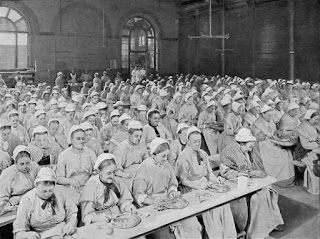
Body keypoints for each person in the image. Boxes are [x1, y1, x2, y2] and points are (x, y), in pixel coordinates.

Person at [132, 138, 202, 239]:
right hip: (151, 206)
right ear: (153, 155)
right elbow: (139, 196)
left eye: (167, 155)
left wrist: (172, 191)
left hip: (168, 201)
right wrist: (153, 200)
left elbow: (172, 183)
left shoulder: (166, 165)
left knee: (192, 223)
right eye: (163, 156)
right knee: (166, 235)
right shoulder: (144, 168)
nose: (165, 159)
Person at [220, 128, 284, 238]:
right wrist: (247, 173)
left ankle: (269, 224)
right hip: (230, 179)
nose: (250, 150)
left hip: (241, 177)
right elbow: (239, 170)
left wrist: (251, 173)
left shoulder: (243, 150)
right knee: (257, 198)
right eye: (249, 147)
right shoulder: (235, 152)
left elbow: (247, 169)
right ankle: (256, 232)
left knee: (267, 192)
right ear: (242, 143)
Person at [176, 126, 237, 239]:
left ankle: (228, 236)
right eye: (194, 141)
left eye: (199, 141)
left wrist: (216, 179)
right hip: (191, 189)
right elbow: (183, 180)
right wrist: (198, 185)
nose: (197, 144)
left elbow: (209, 173)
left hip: (205, 184)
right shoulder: (183, 157)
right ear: (188, 141)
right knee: (212, 208)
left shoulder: (202, 153)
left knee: (223, 204)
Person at [13, 167, 78, 239]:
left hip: (63, 231)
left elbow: (72, 213)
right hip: (41, 235)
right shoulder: (27, 199)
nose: (47, 194)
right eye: (44, 191)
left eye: (50, 190)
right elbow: (19, 231)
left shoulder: (61, 191)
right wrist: (27, 235)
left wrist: (70, 224)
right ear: (36, 186)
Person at [80, 153, 136, 225]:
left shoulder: (117, 181)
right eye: (109, 173)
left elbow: (124, 200)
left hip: (117, 215)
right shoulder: (91, 184)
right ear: (99, 172)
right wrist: (96, 218)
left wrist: (127, 206)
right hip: (99, 220)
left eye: (114, 172)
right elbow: (86, 214)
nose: (112, 176)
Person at [252, 105, 295, 187]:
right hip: (263, 145)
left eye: (271, 116)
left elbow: (274, 133)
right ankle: (280, 180)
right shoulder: (257, 123)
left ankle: (288, 179)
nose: (270, 117)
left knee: (288, 153)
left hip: (272, 142)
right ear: (262, 114)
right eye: (268, 115)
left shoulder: (270, 121)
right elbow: (257, 137)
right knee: (282, 157)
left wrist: (277, 137)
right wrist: (266, 136)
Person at [56, 125, 96, 204]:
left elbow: (97, 170)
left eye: (83, 138)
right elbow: (59, 178)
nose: (81, 141)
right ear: (71, 140)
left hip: (89, 186)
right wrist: (70, 181)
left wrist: (92, 179)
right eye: (78, 139)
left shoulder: (90, 152)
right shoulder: (64, 155)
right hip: (71, 189)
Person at [113, 121, 148, 189]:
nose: (138, 138)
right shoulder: (122, 147)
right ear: (129, 134)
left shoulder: (142, 144)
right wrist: (124, 174)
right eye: (136, 136)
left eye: (140, 136)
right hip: (127, 174)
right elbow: (117, 168)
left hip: (141, 171)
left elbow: (146, 160)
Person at [295, 110, 320, 195]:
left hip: (313, 149)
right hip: (304, 152)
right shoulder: (303, 127)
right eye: (316, 119)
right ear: (309, 118)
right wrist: (317, 144)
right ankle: (314, 188)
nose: (317, 121)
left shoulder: (313, 125)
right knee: (316, 165)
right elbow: (305, 145)